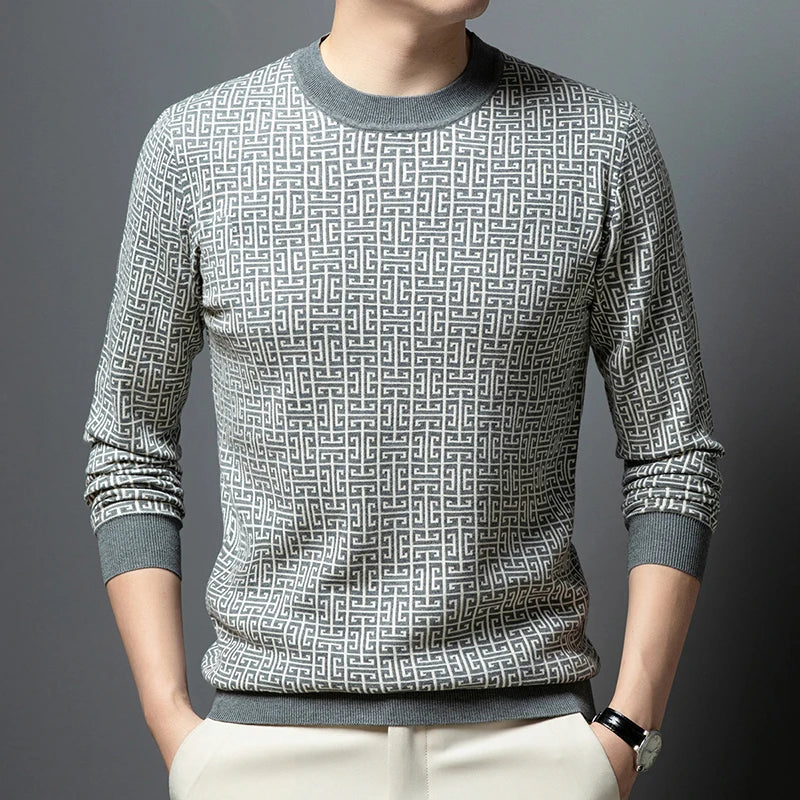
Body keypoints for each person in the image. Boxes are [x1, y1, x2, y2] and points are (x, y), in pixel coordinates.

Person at [81, 2, 725, 799]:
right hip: (266, 749)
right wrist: (171, 721)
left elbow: (672, 450)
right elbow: (130, 444)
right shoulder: (198, 146)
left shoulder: (601, 145)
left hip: (529, 749)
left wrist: (628, 729)